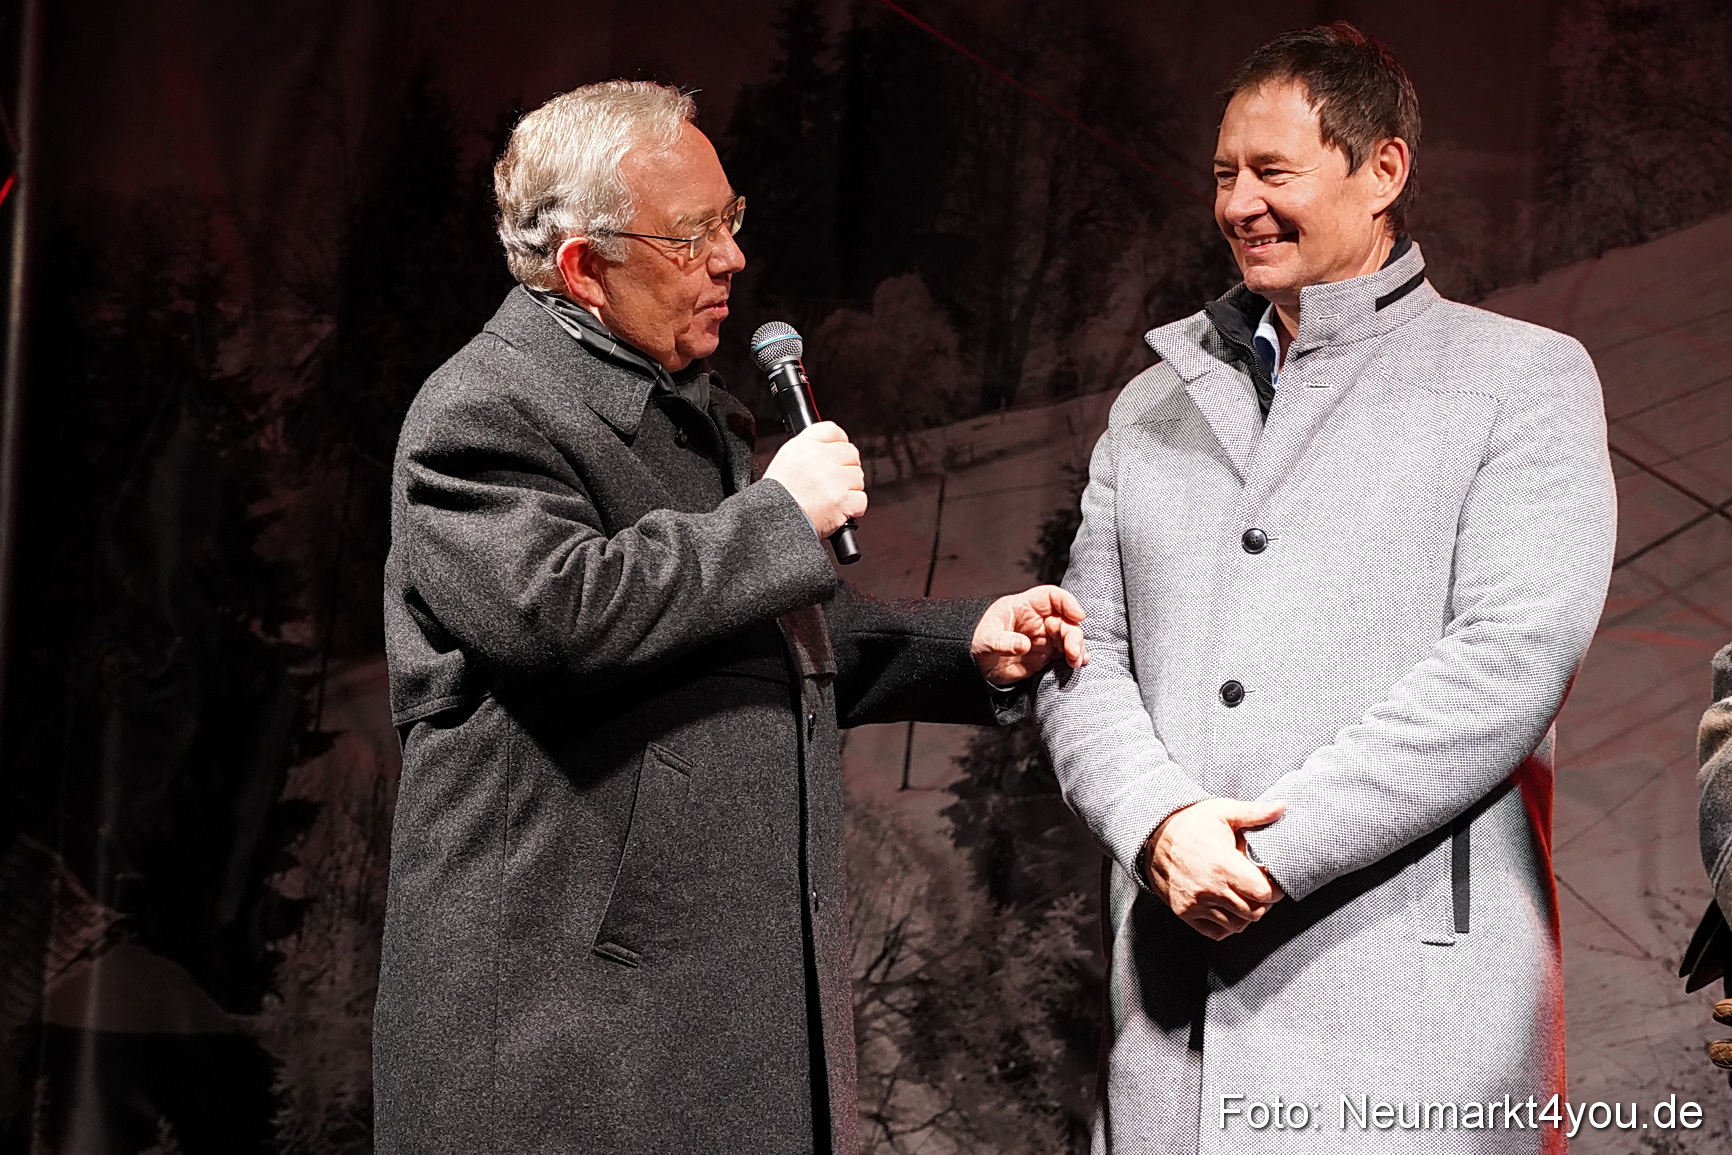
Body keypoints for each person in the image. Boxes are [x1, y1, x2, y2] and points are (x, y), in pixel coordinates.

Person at [372, 81, 1085, 1155]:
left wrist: (964, 648)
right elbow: (562, 611)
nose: (730, 259)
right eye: (692, 233)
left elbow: (769, 639)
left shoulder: (686, 416)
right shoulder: (482, 411)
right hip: (562, 1052)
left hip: (707, 1023)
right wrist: (778, 515)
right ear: (583, 265)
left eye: (730, 219)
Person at [1035, 23, 1616, 1153]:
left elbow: (1508, 662)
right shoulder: (1147, 413)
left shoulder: (1522, 381)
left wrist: (1261, 852)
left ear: (1383, 169)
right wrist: (1159, 826)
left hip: (1412, 1014)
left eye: (1272, 172)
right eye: (1222, 175)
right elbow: (1079, 654)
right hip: (1173, 1017)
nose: (1239, 204)